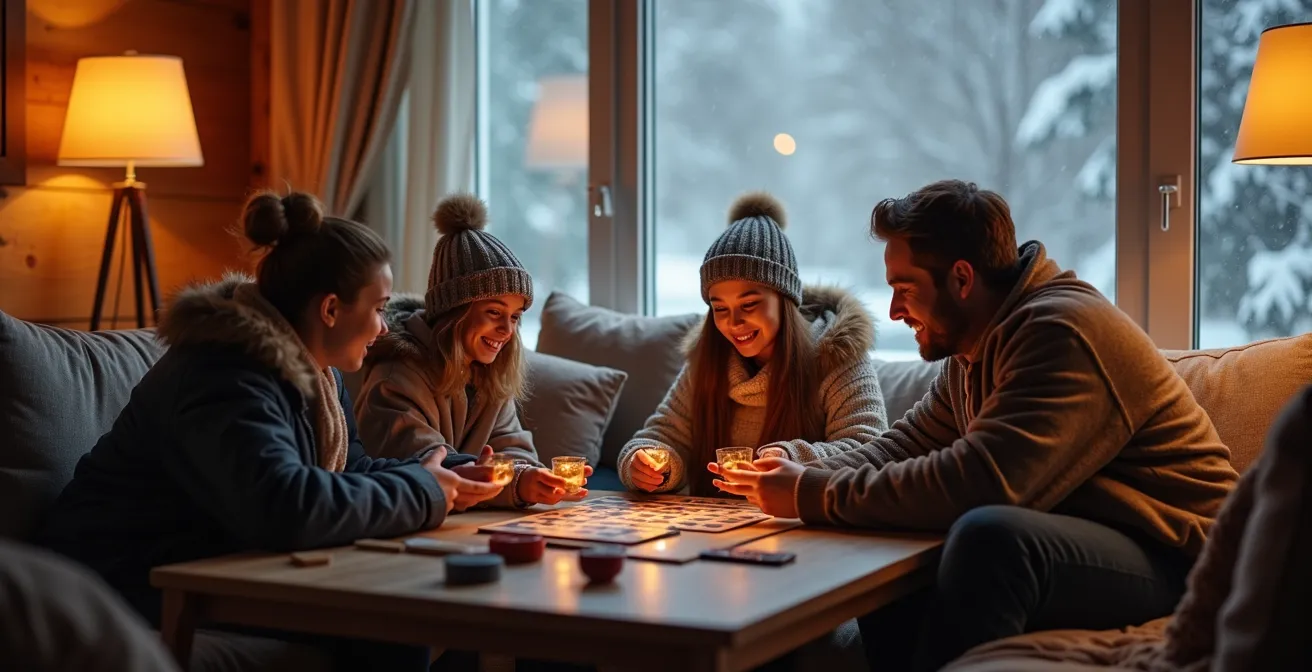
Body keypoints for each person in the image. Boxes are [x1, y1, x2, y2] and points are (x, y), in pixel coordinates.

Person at [710, 179, 1241, 671]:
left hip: (1182, 558)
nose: (894, 310)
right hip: (1106, 540)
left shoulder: (1060, 331)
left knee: (992, 538)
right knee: (889, 537)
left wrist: (810, 493)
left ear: (961, 278)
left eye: (905, 287)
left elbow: (983, 483)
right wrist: (797, 467)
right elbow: (905, 445)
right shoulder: (974, 347)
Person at [40, 191, 502, 671]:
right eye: (380, 307)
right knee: (395, 625)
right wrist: (423, 490)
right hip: (121, 579)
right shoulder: (224, 373)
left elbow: (353, 468)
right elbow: (286, 504)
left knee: (437, 608)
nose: (385, 329)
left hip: (219, 562)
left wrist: (461, 473)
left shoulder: (316, 374)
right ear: (329, 309)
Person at [618, 190, 887, 499]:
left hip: (801, 527)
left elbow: (869, 447)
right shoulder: (709, 360)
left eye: (749, 305)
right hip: (714, 528)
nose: (733, 323)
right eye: (720, 308)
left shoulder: (835, 353)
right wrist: (647, 464)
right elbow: (661, 436)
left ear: (785, 300)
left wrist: (790, 458)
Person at [355, 193, 590, 507]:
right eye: (494, 313)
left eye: (515, 317)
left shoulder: (489, 371)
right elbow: (428, 469)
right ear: (454, 312)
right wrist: (517, 484)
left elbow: (513, 447)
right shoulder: (396, 379)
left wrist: (529, 477)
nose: (507, 331)